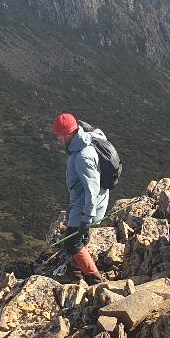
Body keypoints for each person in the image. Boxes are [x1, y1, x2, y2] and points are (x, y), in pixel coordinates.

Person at [52, 113, 109, 282]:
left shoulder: (83, 156)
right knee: (79, 239)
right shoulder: (81, 144)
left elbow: (92, 189)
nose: (58, 138)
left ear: (70, 133)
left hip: (86, 206)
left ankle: (95, 280)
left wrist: (87, 217)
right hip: (85, 203)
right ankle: (75, 273)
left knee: (72, 243)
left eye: (60, 134)